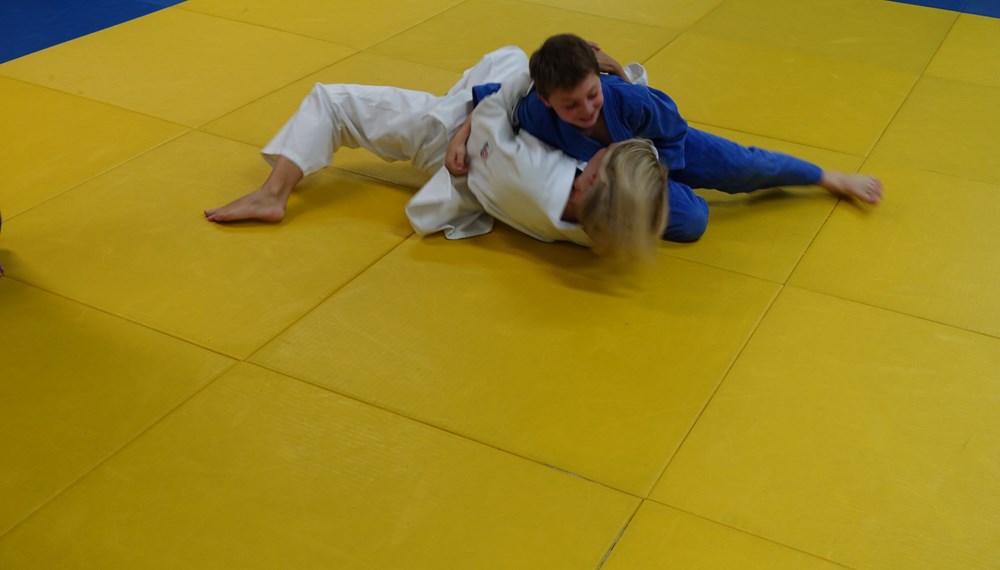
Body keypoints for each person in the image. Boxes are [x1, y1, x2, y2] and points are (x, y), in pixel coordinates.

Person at [510, 33, 884, 244]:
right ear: (546, 100)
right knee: (691, 224)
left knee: (745, 165)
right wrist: (462, 139)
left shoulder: (629, 101)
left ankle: (827, 177)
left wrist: (664, 170)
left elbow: (673, 129)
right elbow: (490, 100)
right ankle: (685, 196)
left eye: (592, 94)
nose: (587, 109)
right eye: (570, 105)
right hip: (629, 178)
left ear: (600, 79)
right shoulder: (535, 114)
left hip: (670, 150)